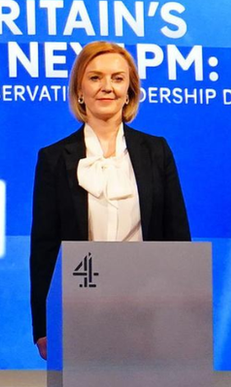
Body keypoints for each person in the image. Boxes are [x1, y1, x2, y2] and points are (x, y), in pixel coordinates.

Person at [30, 41, 191, 360]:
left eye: (118, 79)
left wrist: (184, 311)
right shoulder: (53, 159)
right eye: (95, 78)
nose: (107, 87)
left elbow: (178, 237)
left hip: (150, 311)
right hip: (82, 309)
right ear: (79, 89)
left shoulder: (156, 151)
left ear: (130, 90)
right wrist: (42, 325)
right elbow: (45, 248)